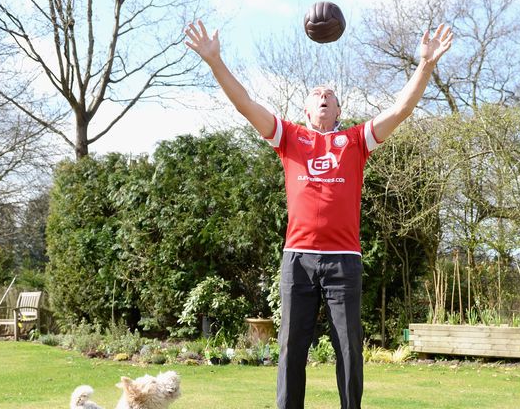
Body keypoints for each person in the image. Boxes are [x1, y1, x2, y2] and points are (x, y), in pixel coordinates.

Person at [185, 20, 452, 409]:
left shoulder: (357, 141)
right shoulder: (290, 137)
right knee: (291, 347)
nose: (323, 94)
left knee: (348, 347)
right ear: (306, 109)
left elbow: (402, 108)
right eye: (316, 93)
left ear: (339, 109)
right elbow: (245, 104)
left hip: (345, 261)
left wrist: (425, 64)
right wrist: (215, 62)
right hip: (298, 259)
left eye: (330, 94)